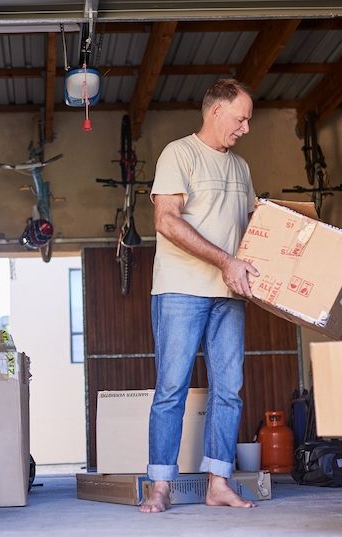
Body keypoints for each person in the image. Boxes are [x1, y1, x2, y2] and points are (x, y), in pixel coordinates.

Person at [140, 78, 259, 514]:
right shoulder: (179, 154)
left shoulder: (241, 168)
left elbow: (251, 230)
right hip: (180, 290)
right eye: (241, 118)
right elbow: (166, 221)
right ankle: (161, 486)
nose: (245, 128)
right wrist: (225, 261)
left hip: (230, 294)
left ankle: (219, 484)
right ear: (216, 112)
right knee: (171, 388)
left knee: (229, 390)